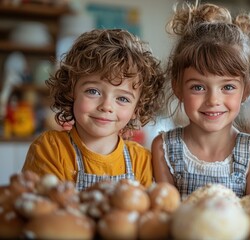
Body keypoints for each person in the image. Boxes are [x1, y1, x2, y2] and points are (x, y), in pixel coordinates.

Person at [151, 2, 250, 200]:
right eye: (198, 87)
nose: (213, 100)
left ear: (246, 90)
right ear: (178, 87)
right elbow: (165, 213)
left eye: (227, 87)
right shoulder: (163, 147)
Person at [22, 29, 165, 191]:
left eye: (123, 99)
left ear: (136, 109)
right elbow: (46, 211)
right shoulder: (50, 148)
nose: (106, 106)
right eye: (93, 91)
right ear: (71, 90)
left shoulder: (141, 160)